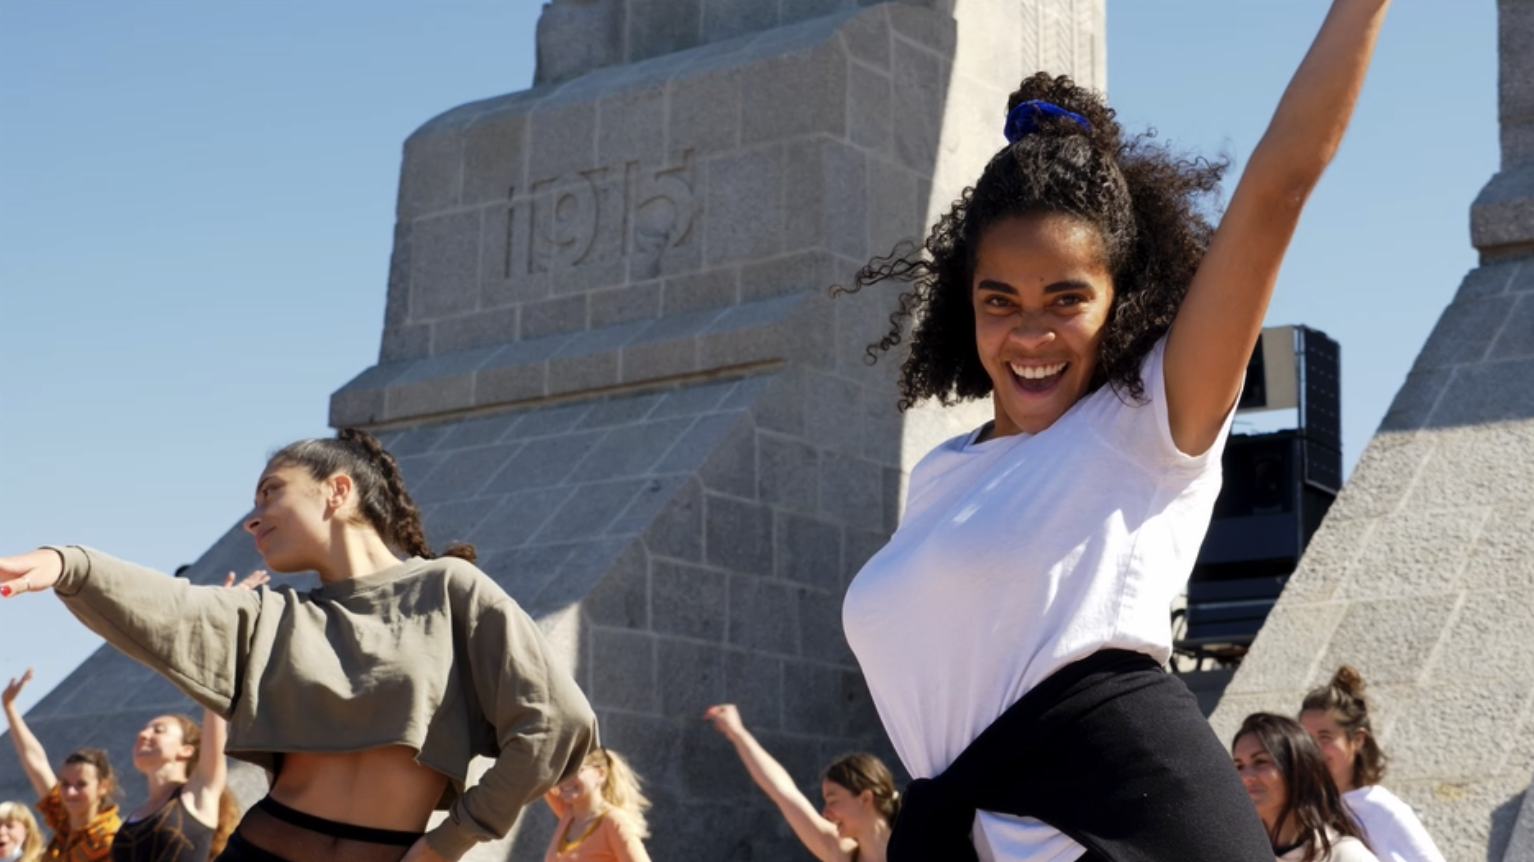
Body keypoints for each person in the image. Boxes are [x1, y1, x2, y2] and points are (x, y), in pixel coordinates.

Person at [836, 1, 1392, 860]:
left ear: (1120, 302)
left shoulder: (1147, 421)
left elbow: (1277, 188)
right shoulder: (943, 472)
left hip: (1126, 828)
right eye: (1000, 301)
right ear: (966, 303)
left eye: (1067, 300)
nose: (1029, 334)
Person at [0, 427, 598, 862]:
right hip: (262, 849)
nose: (252, 519)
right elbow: (172, 607)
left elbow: (558, 723)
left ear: (337, 492)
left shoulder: (449, 590)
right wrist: (65, 563)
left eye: (270, 493)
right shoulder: (274, 615)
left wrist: (452, 842)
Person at [703, 704, 896, 862]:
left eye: (833, 800)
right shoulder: (842, 854)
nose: (825, 813)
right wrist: (737, 734)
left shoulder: (921, 850)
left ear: (865, 798)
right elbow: (784, 793)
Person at [1299, 667, 1446, 862]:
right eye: (1305, 739)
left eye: (1324, 737)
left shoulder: (1384, 811)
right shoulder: (1298, 808)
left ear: (1358, 739)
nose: (1313, 749)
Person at [3, 671, 122, 862]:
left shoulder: (110, 840)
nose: (69, 792)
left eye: (81, 785)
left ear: (103, 787)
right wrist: (9, 708)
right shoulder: (64, 821)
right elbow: (36, 763)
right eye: (65, 784)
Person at [1232, 713, 1378, 862]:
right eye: (1238, 766)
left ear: (1298, 769)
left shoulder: (1346, 856)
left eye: (1260, 761)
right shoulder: (1232, 851)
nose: (1245, 777)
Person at [540, 748, 650, 862]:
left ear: (601, 774)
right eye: (562, 771)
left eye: (576, 771)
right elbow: (538, 769)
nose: (565, 779)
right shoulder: (570, 813)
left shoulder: (614, 822)